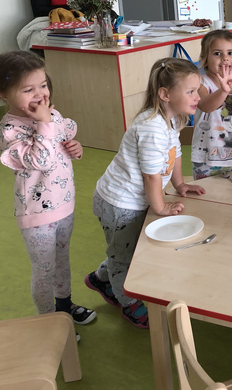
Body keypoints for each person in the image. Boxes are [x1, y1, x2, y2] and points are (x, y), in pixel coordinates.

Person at [86, 57, 205, 328]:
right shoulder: (151, 127)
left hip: (133, 201)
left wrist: (179, 184)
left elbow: (174, 153)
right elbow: (151, 176)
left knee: (125, 247)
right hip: (119, 204)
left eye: (196, 90)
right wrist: (161, 207)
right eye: (190, 91)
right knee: (125, 257)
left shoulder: (171, 119)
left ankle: (99, 279)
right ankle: (128, 303)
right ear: (165, 94)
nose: (197, 96)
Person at [0, 51, 95, 324]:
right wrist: (45, 122)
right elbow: (41, 160)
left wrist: (74, 148)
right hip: (37, 214)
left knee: (62, 261)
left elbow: (61, 141)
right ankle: (47, 321)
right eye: (28, 89)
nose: (40, 94)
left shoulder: (50, 114)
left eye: (43, 85)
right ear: (3, 93)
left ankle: (65, 305)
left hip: (64, 203)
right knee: (44, 269)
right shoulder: (10, 130)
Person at [191, 29, 232, 179]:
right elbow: (206, 106)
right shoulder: (201, 84)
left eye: (231, 53)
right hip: (205, 160)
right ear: (205, 58)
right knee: (207, 193)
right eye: (217, 53)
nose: (225, 58)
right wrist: (223, 91)